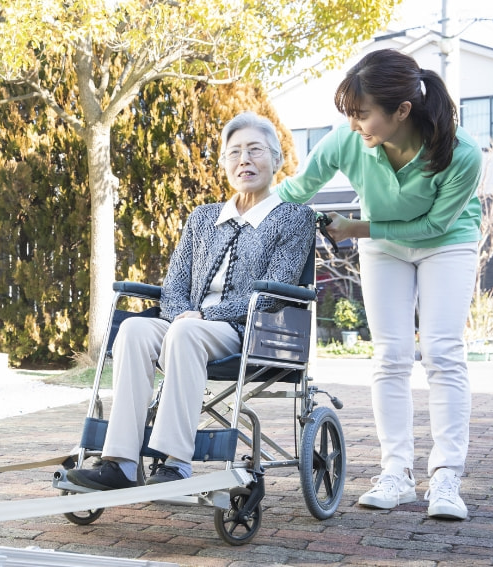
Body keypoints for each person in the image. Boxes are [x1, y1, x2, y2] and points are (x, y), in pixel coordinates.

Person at [275, 48, 483, 520]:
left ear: (402, 111)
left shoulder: (462, 153)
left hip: (446, 241)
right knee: (390, 356)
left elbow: (433, 226)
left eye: (363, 114)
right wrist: (241, 210)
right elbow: (296, 189)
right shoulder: (349, 140)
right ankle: (397, 473)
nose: (354, 124)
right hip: (382, 246)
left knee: (442, 350)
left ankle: (447, 477)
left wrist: (357, 229)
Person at [67, 111, 316, 491]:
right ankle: (121, 463)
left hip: (246, 329)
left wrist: (202, 315)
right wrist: (179, 314)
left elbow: (273, 292)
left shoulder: (293, 218)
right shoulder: (202, 218)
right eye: (234, 153)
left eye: (255, 150)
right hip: (186, 324)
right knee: (133, 329)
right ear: (223, 164)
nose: (244, 160)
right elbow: (175, 283)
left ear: (277, 160)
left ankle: (175, 462)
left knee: (186, 333)